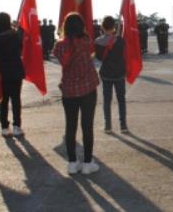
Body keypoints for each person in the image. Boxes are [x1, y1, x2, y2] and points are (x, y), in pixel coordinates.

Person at [53, 13, 100, 175]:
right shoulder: (87, 42)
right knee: (87, 126)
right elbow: (92, 48)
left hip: (69, 90)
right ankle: (88, 163)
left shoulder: (58, 46)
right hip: (87, 88)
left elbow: (60, 56)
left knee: (70, 126)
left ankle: (72, 163)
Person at [95, 16, 128, 134]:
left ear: (102, 27)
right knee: (121, 100)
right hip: (119, 73)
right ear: (114, 27)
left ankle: (107, 125)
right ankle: (123, 125)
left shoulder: (98, 41)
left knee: (107, 100)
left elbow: (99, 58)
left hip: (106, 73)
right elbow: (124, 56)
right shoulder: (121, 41)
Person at [0, 13, 25, 137]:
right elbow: (21, 46)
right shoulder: (15, 35)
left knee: (3, 101)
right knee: (16, 99)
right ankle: (17, 126)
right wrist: (19, 28)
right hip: (15, 71)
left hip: (1, 73)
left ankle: (4, 127)